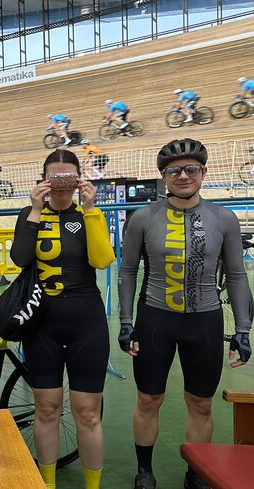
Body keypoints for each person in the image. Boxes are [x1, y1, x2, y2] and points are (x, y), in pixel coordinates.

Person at [118, 138, 252, 489]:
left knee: (201, 404)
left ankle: (196, 472)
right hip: (155, 319)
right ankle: (144, 471)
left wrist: (243, 330)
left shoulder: (223, 218)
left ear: (203, 173)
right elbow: (127, 271)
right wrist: (126, 322)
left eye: (191, 168)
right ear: (163, 176)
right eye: (174, 170)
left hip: (205, 320)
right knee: (148, 399)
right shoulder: (142, 217)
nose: (183, 175)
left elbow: (236, 275)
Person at [10, 149, 115, 489]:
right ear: (43, 180)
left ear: (79, 179)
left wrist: (90, 208)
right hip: (43, 323)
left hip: (87, 321)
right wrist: (35, 210)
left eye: (68, 177)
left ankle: (93, 486)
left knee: (88, 412)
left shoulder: (88, 214)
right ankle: (47, 483)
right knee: (46, 408)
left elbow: (102, 260)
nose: (61, 184)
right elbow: (20, 258)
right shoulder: (29, 213)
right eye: (54, 178)